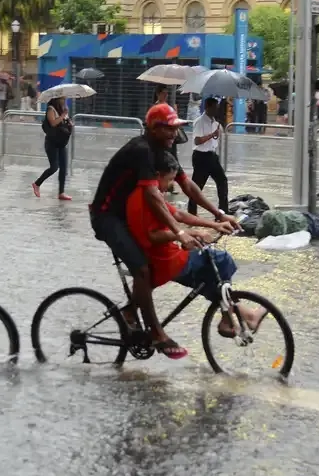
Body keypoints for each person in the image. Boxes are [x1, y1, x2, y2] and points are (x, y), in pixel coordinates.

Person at [89, 103, 238, 360]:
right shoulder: (142, 151)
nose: (173, 135)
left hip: (128, 213)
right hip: (107, 217)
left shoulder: (163, 151)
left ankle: (129, 312)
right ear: (153, 129)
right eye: (168, 130)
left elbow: (188, 185)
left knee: (153, 265)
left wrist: (219, 214)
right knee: (143, 268)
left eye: (175, 129)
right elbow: (153, 196)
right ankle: (157, 333)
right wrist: (180, 233)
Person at [128, 151, 265, 342]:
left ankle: (242, 316)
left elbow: (180, 215)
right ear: (157, 176)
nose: (170, 186)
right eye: (168, 180)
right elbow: (152, 235)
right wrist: (190, 233)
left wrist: (215, 224)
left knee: (210, 279)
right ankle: (232, 318)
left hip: (166, 255)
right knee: (220, 260)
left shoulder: (150, 193)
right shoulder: (146, 197)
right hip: (163, 261)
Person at [188, 96, 230, 217]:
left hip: (211, 156)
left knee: (222, 180)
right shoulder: (199, 122)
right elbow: (197, 141)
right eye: (214, 108)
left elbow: (215, 138)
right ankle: (192, 213)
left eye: (217, 108)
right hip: (201, 157)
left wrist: (217, 133)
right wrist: (212, 135)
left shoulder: (214, 122)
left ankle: (223, 211)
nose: (216, 110)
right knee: (197, 187)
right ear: (207, 107)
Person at [32, 97, 72, 200]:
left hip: (62, 142)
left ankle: (61, 192)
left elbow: (65, 122)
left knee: (64, 168)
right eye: (63, 99)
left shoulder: (63, 109)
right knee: (54, 167)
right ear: (57, 99)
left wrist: (69, 122)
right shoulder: (51, 109)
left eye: (65, 99)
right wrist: (63, 115)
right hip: (52, 142)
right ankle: (37, 184)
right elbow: (53, 123)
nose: (64, 100)